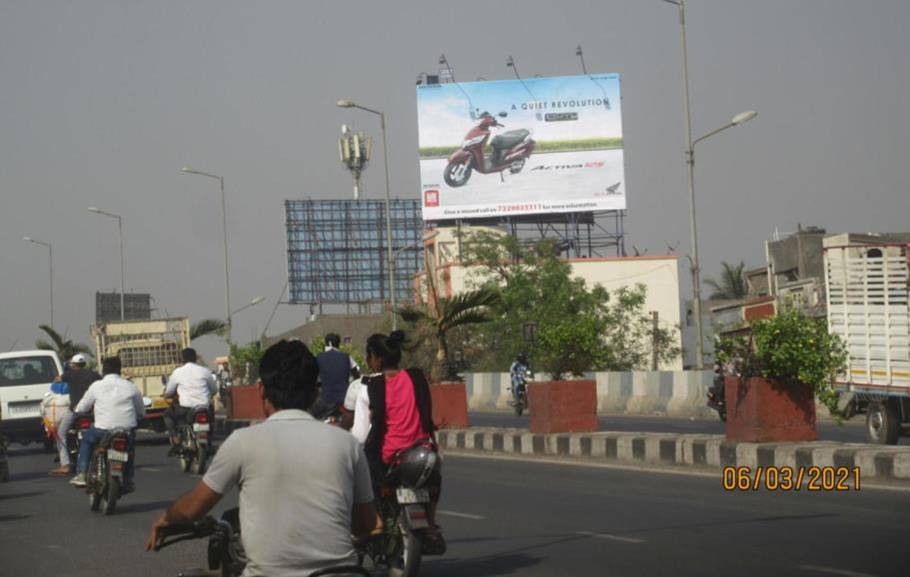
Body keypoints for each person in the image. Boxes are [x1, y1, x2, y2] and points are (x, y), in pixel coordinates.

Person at [146, 340, 376, 576]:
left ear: (261, 391)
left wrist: (166, 518)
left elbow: (192, 508)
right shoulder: (346, 444)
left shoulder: (242, 442)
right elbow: (365, 524)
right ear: (315, 393)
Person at [363, 331, 445, 552]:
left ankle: (377, 520)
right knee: (435, 476)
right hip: (422, 448)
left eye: (369, 357)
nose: (369, 362)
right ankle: (431, 525)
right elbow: (426, 410)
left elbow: (375, 418)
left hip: (390, 454)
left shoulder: (376, 384)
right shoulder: (416, 377)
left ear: (377, 358)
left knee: (366, 476)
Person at [70, 356, 144, 490]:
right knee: (129, 450)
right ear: (119, 370)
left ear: (103, 371)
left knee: (86, 441)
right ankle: (128, 479)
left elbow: (83, 407)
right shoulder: (130, 386)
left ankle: (81, 474)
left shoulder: (96, 386)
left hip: (102, 430)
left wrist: (77, 410)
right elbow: (141, 411)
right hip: (126, 430)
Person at [163, 348, 217, 454]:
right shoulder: (205, 371)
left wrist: (168, 395)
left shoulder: (178, 372)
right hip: (203, 408)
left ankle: (176, 440)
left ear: (182, 359)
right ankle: (209, 442)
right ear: (196, 358)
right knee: (211, 420)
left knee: (167, 415)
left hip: (185, 409)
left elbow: (169, 392)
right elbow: (214, 390)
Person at [54, 354, 102, 474]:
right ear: (84, 364)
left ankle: (65, 464)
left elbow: (57, 379)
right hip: (92, 411)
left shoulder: (70, 374)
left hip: (75, 410)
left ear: (74, 365)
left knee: (60, 433)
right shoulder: (93, 374)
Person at [311, 333, 361, 420]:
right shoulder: (347, 357)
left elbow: (312, 379)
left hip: (325, 400)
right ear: (338, 344)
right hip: (344, 401)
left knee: (311, 417)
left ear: (326, 344)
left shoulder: (318, 358)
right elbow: (357, 376)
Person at [42, 380, 72, 476]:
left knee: (60, 437)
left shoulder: (47, 399)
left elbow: (42, 413)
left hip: (54, 423)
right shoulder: (70, 397)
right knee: (61, 436)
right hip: (69, 419)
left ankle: (65, 465)